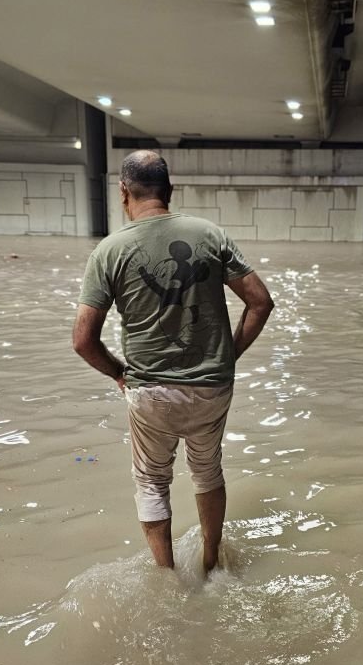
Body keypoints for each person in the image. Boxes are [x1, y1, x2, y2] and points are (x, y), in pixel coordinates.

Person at [73, 150, 274, 573]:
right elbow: (260, 302)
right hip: (211, 387)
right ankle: (210, 563)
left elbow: (82, 340)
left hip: (149, 391)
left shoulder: (110, 251)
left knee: (151, 481)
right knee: (206, 470)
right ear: (170, 190)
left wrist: (118, 373)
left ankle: (167, 577)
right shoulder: (209, 235)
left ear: (123, 192)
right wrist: (227, 355)